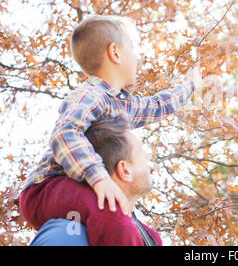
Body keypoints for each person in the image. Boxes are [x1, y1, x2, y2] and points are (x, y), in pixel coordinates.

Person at [19, 15, 202, 245]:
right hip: (47, 187)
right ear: (115, 53)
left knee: (150, 236)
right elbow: (65, 133)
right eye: (132, 48)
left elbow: (157, 105)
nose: (137, 56)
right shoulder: (90, 94)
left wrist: (191, 85)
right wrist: (99, 178)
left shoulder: (122, 105)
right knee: (112, 213)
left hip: (75, 189)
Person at [26, 116, 162, 246]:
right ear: (125, 170)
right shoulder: (66, 235)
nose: (148, 156)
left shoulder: (150, 237)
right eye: (141, 152)